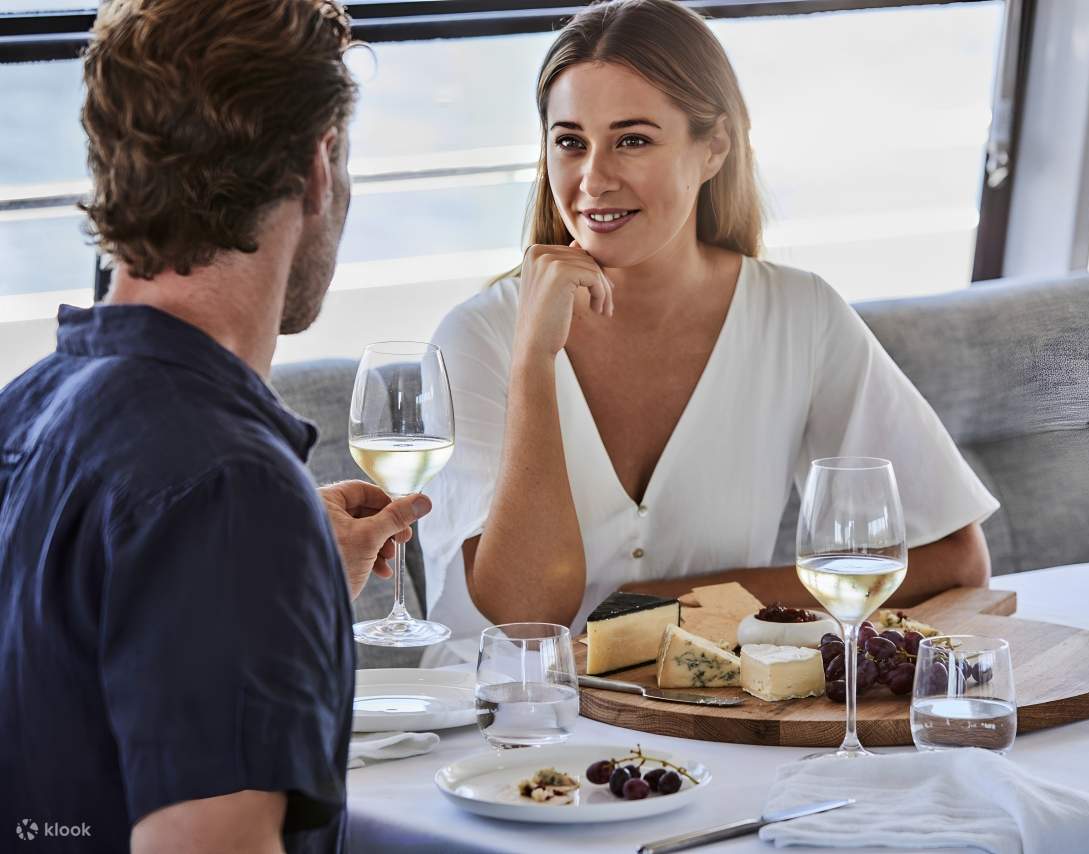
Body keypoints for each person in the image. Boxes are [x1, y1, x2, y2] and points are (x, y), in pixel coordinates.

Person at [419, 0, 999, 643]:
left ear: (714, 147)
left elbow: (953, 557)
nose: (594, 178)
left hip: (710, 724)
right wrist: (533, 362)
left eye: (632, 140)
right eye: (570, 142)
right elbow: (529, 615)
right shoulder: (475, 341)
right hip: (503, 726)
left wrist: (663, 604)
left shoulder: (798, 318)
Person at [0, 2, 425, 851]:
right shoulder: (229, 488)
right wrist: (261, 548)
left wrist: (293, 598)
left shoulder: (27, 408)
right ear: (318, 165)